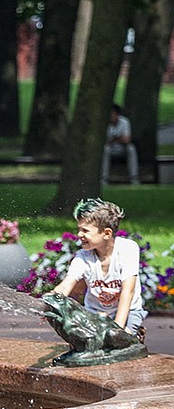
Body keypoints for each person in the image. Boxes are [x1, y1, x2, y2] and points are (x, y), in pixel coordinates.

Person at [52, 198, 146, 336]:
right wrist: (51, 301)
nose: (79, 235)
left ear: (107, 233)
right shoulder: (83, 256)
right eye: (79, 229)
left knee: (120, 340)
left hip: (128, 312)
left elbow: (128, 291)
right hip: (94, 314)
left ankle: (135, 335)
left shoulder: (128, 249)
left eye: (85, 230)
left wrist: (117, 329)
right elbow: (66, 285)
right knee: (74, 332)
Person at [102, 104, 140, 186]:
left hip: (122, 148)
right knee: (105, 149)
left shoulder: (124, 122)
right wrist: (118, 138)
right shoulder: (104, 124)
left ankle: (134, 178)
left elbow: (127, 140)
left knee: (131, 149)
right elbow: (105, 142)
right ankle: (104, 179)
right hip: (110, 149)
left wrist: (113, 139)